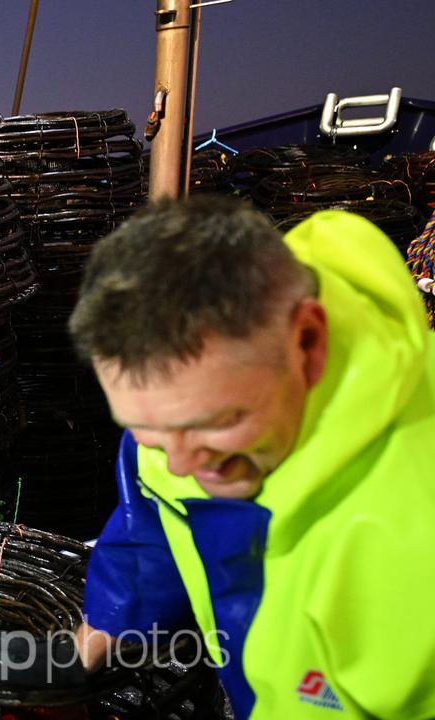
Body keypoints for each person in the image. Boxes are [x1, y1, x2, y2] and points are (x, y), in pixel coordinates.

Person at [65, 196, 435, 718]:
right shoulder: (184, 420)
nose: (179, 465)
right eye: (144, 428)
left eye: (216, 424)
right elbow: (154, 515)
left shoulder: (414, 535)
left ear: (308, 340)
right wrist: (87, 646)